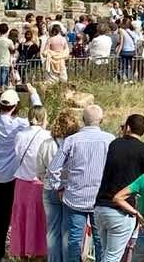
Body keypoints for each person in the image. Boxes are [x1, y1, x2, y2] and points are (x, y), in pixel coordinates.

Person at [0, 85, 42, 262]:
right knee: (7, 213)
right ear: (16, 106)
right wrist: (34, 94)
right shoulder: (20, 125)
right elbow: (38, 117)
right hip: (14, 174)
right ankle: (7, 249)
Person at [49, 104, 115, 262]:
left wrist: (59, 187)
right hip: (101, 198)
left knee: (73, 240)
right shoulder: (110, 140)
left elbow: (53, 169)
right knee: (100, 241)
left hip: (74, 197)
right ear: (102, 119)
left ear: (83, 120)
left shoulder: (71, 141)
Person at [94, 114, 144, 262]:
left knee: (106, 254)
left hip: (101, 207)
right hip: (122, 210)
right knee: (112, 257)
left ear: (127, 127)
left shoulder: (114, 144)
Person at [38, 109, 80, 262]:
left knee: (52, 230)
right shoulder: (76, 144)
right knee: (68, 231)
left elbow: (39, 170)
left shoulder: (46, 144)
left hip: (50, 188)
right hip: (70, 190)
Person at [10, 105, 51, 259]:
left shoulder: (20, 135)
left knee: (22, 218)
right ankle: (39, 251)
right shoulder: (47, 136)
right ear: (43, 118)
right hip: (39, 182)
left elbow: (17, 155)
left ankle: (22, 251)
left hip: (21, 181)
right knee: (39, 219)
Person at [0, 24, 16, 88]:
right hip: (5, 63)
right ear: (7, 30)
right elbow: (13, 50)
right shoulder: (8, 41)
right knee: (3, 84)